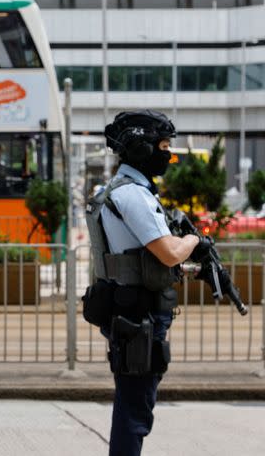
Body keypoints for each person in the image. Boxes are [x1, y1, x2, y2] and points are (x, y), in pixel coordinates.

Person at [85, 110, 212, 456]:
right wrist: (194, 242)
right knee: (134, 408)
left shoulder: (127, 191)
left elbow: (142, 260)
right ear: (140, 149)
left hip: (132, 308)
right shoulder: (133, 196)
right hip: (138, 315)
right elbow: (169, 252)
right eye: (163, 146)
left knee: (134, 402)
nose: (168, 154)